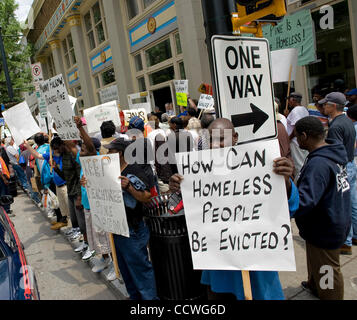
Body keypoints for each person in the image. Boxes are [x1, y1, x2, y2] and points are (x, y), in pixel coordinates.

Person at [169, 118, 299, 300]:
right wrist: (177, 189)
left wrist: (284, 182)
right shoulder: (200, 172)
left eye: (221, 139)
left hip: (257, 268)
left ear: (235, 137)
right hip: (220, 269)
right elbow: (189, 213)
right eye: (211, 140)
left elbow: (290, 209)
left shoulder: (260, 166)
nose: (216, 145)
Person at [293, 116, 351, 300]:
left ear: (304, 136)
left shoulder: (318, 164)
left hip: (324, 227)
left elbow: (304, 201)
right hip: (329, 220)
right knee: (317, 262)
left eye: (296, 137)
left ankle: (329, 295)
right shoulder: (330, 153)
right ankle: (315, 285)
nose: (296, 140)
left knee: (327, 271)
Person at [104, 138, 158, 300]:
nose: (107, 153)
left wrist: (129, 187)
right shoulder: (110, 170)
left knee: (140, 272)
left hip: (133, 231)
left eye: (111, 150)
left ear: (120, 153)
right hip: (118, 229)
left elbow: (147, 196)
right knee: (127, 273)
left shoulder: (134, 170)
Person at [321, 92, 357, 255]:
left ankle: (346, 241)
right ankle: (353, 236)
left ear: (333, 106)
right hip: (351, 164)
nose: (323, 107)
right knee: (352, 202)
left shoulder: (336, 126)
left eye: (326, 104)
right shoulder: (347, 121)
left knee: (343, 204)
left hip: (342, 167)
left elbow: (335, 152)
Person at [24, 138, 71, 231]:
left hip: (65, 186)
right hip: (58, 186)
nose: (55, 151)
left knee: (70, 210)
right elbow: (38, 155)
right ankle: (68, 225)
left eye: (56, 148)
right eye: (53, 148)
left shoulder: (66, 156)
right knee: (63, 209)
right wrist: (28, 146)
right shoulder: (52, 154)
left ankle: (75, 229)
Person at [285, 92, 309, 179]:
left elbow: (296, 128)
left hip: (295, 142)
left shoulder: (296, 111)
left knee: (299, 165)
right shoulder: (303, 109)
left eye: (289, 100)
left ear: (293, 100)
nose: (288, 102)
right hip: (301, 141)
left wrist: (288, 139)